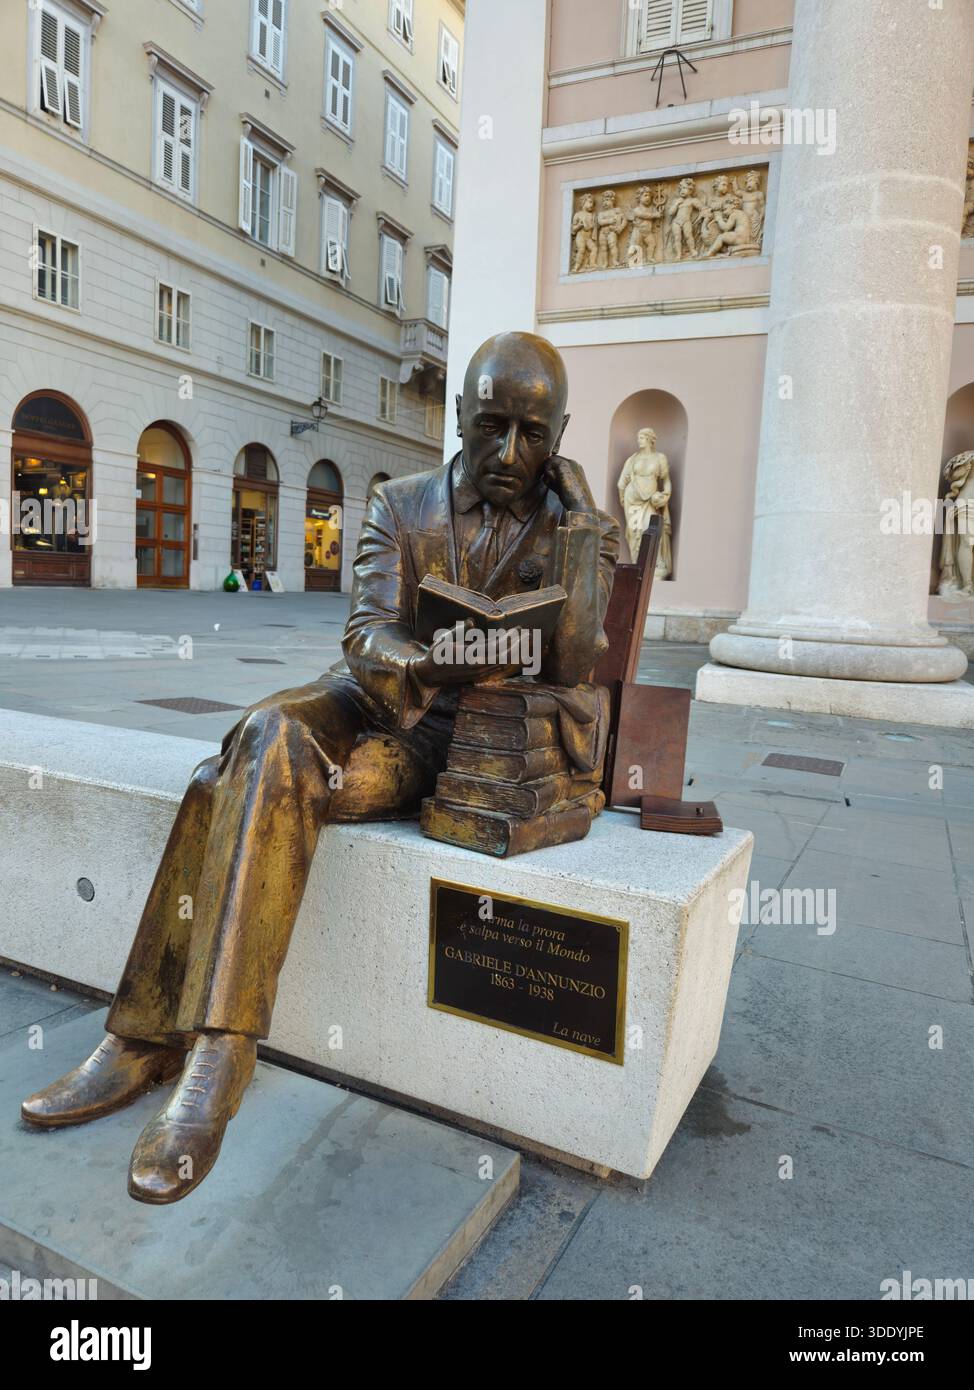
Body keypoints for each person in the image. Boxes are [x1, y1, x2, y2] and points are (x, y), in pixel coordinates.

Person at [22, 332, 620, 1204]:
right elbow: (367, 630)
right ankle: (207, 1046)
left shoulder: (574, 527)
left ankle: (164, 1040)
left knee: (214, 782)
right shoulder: (400, 502)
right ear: (459, 416)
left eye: (535, 436)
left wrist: (581, 532)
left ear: (561, 436)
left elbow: (574, 662)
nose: (510, 453)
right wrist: (426, 662)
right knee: (270, 730)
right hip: (379, 694)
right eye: (491, 427)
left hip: (459, 744)